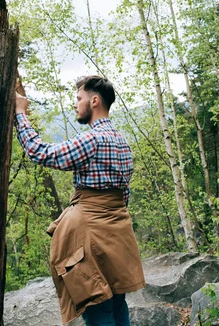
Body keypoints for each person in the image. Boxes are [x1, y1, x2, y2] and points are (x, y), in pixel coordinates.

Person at [14, 75, 145, 326]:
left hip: (90, 235)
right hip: (119, 233)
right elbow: (123, 195)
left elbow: (40, 152)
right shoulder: (123, 142)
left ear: (94, 101)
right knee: (118, 305)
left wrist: (21, 114)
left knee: (96, 308)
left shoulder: (92, 140)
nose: (75, 104)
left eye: (78, 98)